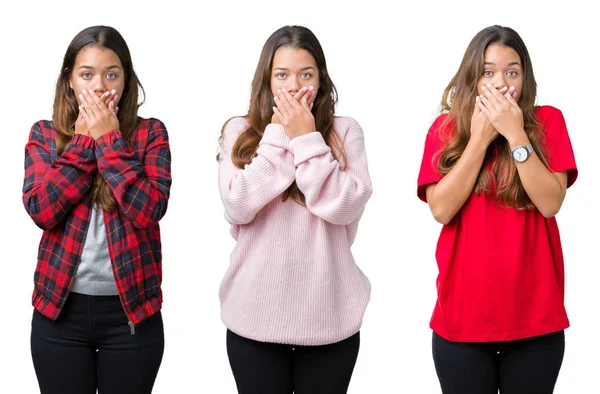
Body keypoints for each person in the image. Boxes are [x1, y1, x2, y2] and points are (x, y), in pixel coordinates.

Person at [417, 25, 577, 394]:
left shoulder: (548, 121)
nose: (501, 82)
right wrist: (480, 139)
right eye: (488, 72)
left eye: (512, 71)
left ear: (525, 77)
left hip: (536, 322)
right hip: (461, 323)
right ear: (473, 78)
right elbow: (441, 209)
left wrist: (516, 134)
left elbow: (551, 203)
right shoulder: (444, 129)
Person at [217, 25, 373, 394]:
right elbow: (237, 204)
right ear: (267, 81)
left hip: (330, 320)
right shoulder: (239, 130)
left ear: (320, 80)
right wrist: (278, 137)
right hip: (253, 318)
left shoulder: (345, 131)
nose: (293, 86)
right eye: (282, 75)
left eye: (306, 74)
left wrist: (306, 139)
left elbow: (346, 206)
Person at [23, 25, 171, 394]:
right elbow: (42, 209)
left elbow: (148, 210)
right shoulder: (44, 135)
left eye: (111, 74)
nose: (100, 86)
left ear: (125, 80)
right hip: (59, 312)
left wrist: (108, 141)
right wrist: (83, 143)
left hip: (131, 314)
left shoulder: (151, 134)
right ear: (69, 81)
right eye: (86, 74)